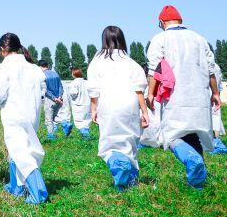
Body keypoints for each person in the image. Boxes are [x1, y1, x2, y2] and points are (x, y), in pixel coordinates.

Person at [145, 5, 220, 189]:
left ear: (161, 22)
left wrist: (151, 93)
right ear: (180, 20)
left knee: (172, 136)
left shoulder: (160, 38)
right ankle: (197, 184)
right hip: (200, 96)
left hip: (175, 97)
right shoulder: (199, 39)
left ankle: (192, 161)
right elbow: (211, 69)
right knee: (193, 133)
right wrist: (216, 93)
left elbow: (155, 70)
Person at [0, 33, 49, 204]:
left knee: (20, 152)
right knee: (24, 148)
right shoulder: (34, 69)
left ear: (1, 50)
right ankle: (17, 186)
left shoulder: (0, 70)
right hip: (32, 114)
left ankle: (38, 192)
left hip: (13, 114)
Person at [86, 26, 149, 190]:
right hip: (130, 103)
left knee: (110, 142)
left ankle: (119, 166)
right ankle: (131, 181)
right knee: (130, 140)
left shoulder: (97, 61)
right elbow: (139, 89)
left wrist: (93, 109)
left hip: (108, 103)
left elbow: (94, 89)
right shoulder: (131, 62)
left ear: (104, 40)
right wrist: (144, 111)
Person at [39, 60, 71, 140]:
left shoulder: (42, 75)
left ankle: (51, 136)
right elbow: (61, 86)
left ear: (40, 67)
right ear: (47, 65)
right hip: (59, 99)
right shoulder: (55, 73)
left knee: (49, 119)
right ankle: (65, 124)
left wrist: (54, 98)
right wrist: (59, 97)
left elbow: (45, 90)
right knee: (56, 117)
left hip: (50, 100)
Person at [209, 62, 227, 155]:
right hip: (214, 94)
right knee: (215, 117)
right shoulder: (216, 66)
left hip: (203, 94)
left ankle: (211, 142)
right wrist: (217, 94)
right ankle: (216, 141)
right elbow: (219, 83)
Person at [68, 68, 92, 139]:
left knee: (79, 121)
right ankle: (86, 134)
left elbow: (73, 93)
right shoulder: (87, 82)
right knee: (86, 120)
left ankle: (85, 136)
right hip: (87, 103)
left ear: (73, 74)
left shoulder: (74, 83)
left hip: (78, 105)